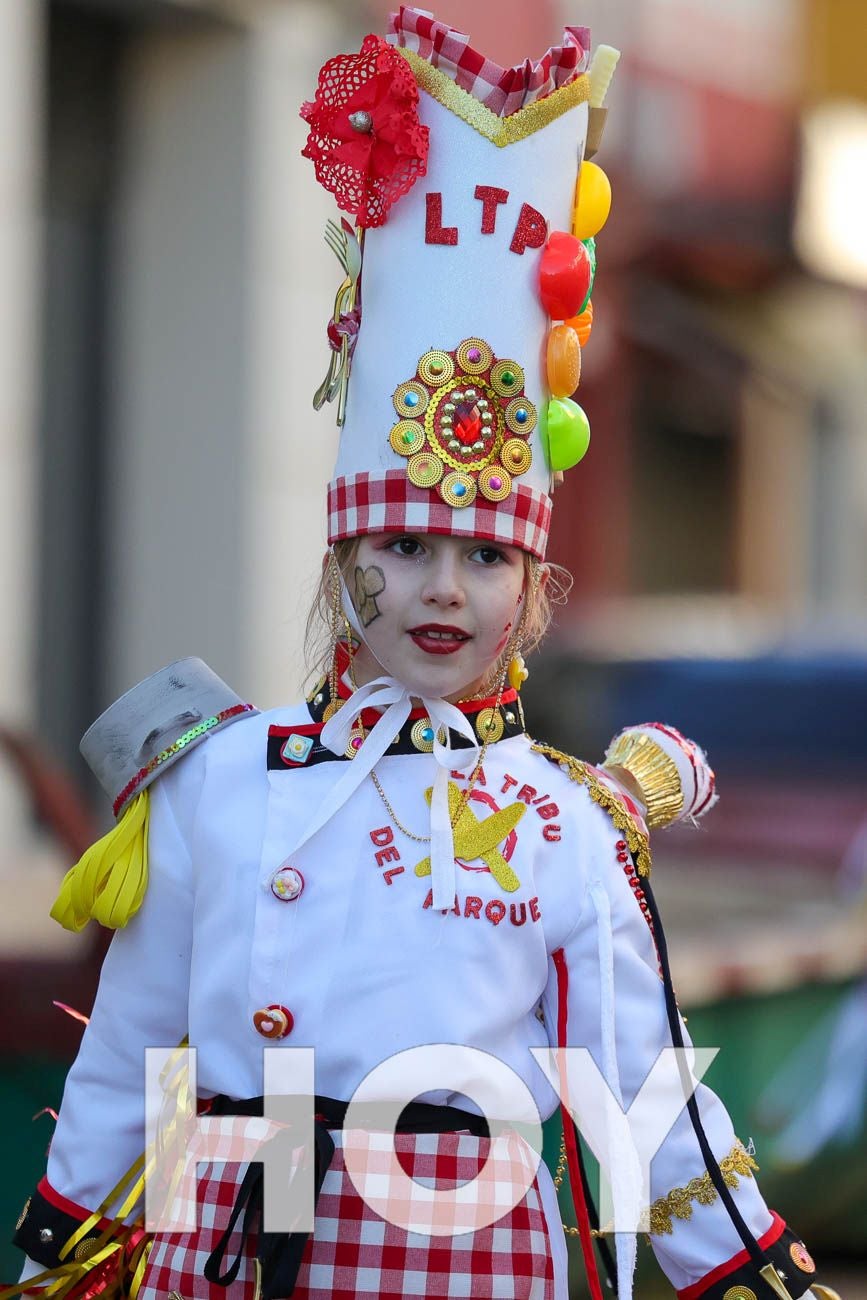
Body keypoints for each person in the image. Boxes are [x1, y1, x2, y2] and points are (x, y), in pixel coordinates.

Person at [9, 10, 828, 1300]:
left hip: (462, 1249)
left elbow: (643, 1101)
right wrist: (62, 1235)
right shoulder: (218, 780)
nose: (442, 591)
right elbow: (132, 1041)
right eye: (400, 547)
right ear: (342, 566)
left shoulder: (563, 823)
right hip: (223, 1241)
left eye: (486, 557)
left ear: (535, 587)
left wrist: (750, 1270)